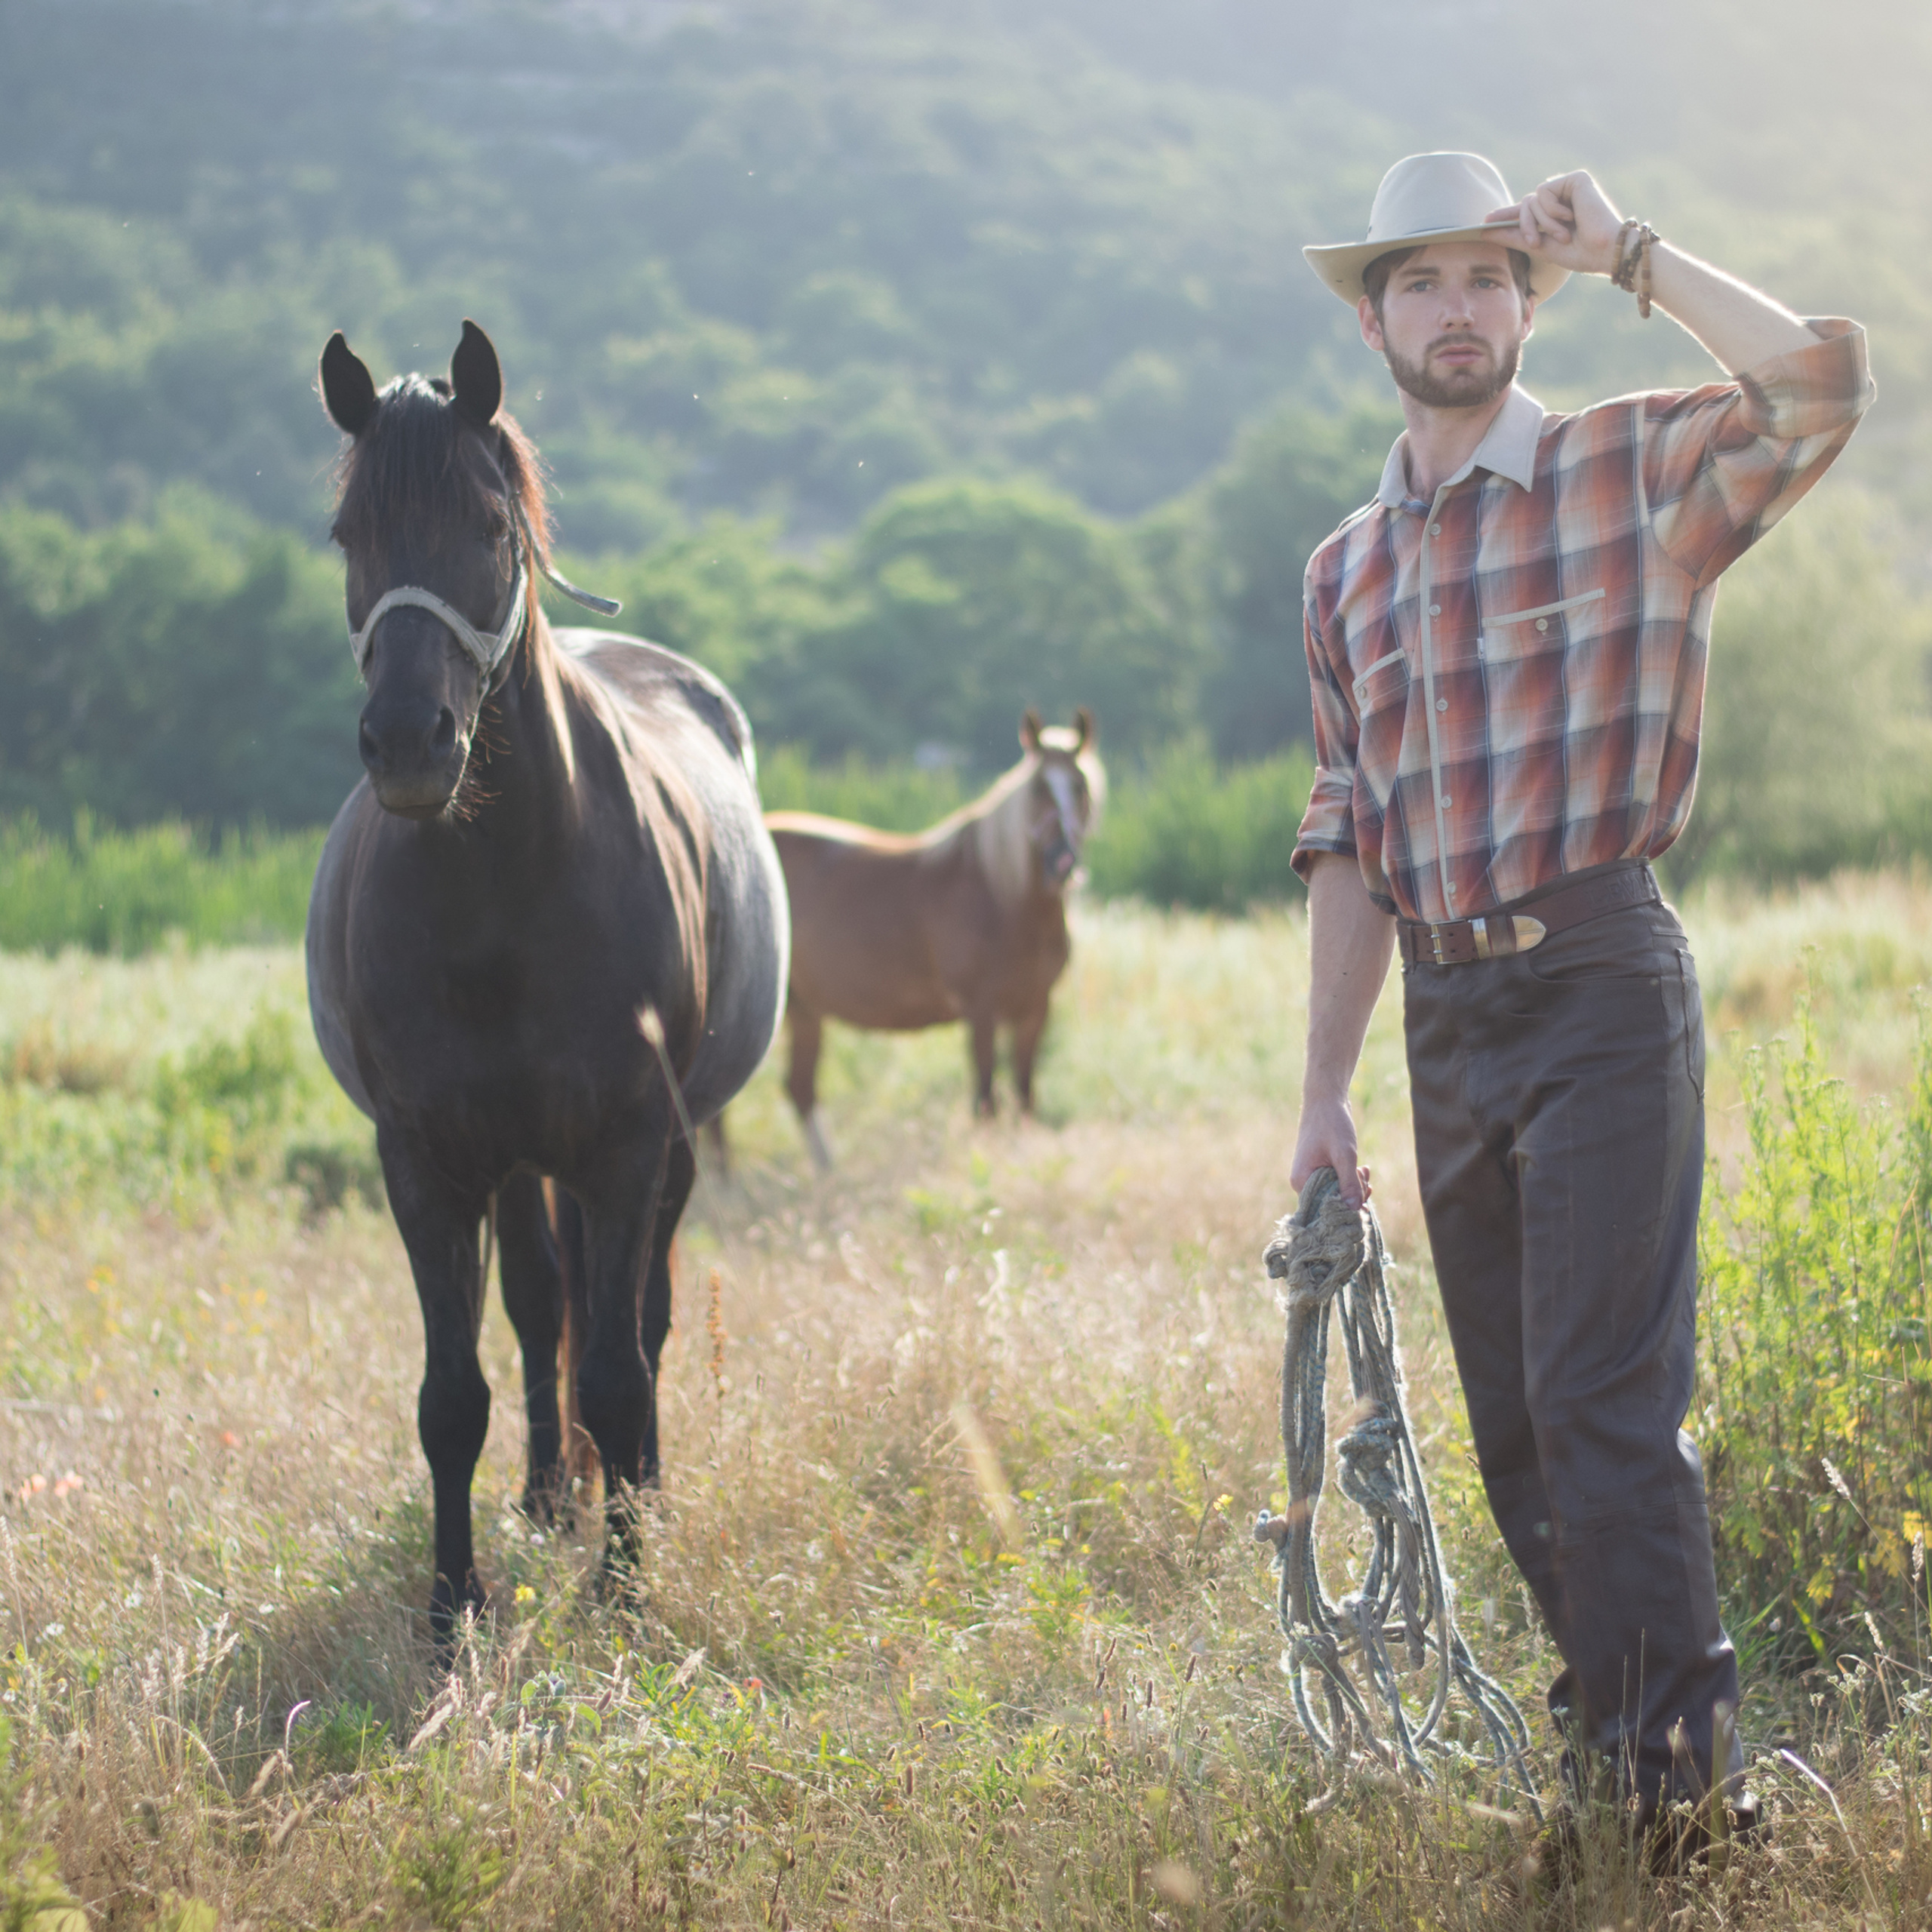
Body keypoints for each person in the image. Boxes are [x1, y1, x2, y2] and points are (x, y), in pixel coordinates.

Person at [1287, 152, 1873, 1851]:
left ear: (1522, 304)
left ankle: (1685, 1809)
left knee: (1605, 1406)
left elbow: (1820, 383)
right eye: (1419, 280)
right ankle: (1616, 1760)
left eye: (1485, 276)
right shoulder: (1339, 573)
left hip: (1601, 976)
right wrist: (1319, 1097)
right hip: (1443, 1024)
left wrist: (1629, 248)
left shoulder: (1625, 470)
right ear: (1373, 316)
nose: (1454, 306)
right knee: (1518, 1434)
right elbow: (1345, 837)